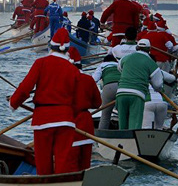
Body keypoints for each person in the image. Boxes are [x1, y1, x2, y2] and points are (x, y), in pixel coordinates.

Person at [9, 28, 79, 175]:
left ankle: (45, 184)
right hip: (66, 120)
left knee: (43, 161)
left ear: (50, 47)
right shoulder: (73, 69)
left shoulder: (41, 63)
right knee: (63, 161)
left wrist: (13, 103)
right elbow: (78, 98)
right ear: (67, 49)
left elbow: (25, 88)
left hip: (43, 119)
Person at [115, 39, 175, 130]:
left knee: (122, 124)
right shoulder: (151, 63)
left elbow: (119, 68)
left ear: (137, 47)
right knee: (134, 124)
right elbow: (158, 85)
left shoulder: (125, 58)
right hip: (137, 95)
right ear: (149, 49)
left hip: (120, 93)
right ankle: (133, 141)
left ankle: (122, 140)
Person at [69, 47, 102, 171]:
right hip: (86, 124)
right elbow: (97, 103)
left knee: (70, 164)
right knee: (85, 165)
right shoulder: (88, 79)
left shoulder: (63, 80)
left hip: (70, 124)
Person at [92, 54, 122, 130]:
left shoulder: (102, 65)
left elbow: (94, 80)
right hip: (123, 88)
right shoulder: (120, 65)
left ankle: (101, 135)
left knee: (105, 115)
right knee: (123, 115)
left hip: (109, 87)